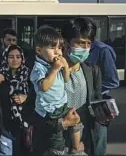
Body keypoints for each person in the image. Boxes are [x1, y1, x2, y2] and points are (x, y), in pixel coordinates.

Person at [30, 26, 85, 155]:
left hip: (62, 104)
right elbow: (44, 87)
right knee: (57, 140)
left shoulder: (55, 63)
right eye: (52, 48)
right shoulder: (39, 68)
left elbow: (66, 79)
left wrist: (65, 67)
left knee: (77, 121)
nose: (58, 52)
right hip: (49, 110)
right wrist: (54, 70)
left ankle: (76, 146)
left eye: (60, 48)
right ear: (39, 50)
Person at [0, 44, 31, 156]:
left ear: (22, 58)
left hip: (23, 124)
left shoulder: (29, 74)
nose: (15, 60)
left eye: (18, 57)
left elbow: (37, 95)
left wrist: (26, 97)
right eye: (11, 57)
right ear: (5, 58)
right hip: (4, 124)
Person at [85, 18, 120, 99]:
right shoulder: (71, 49)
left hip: (95, 99)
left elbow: (112, 81)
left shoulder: (103, 50)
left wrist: (92, 91)